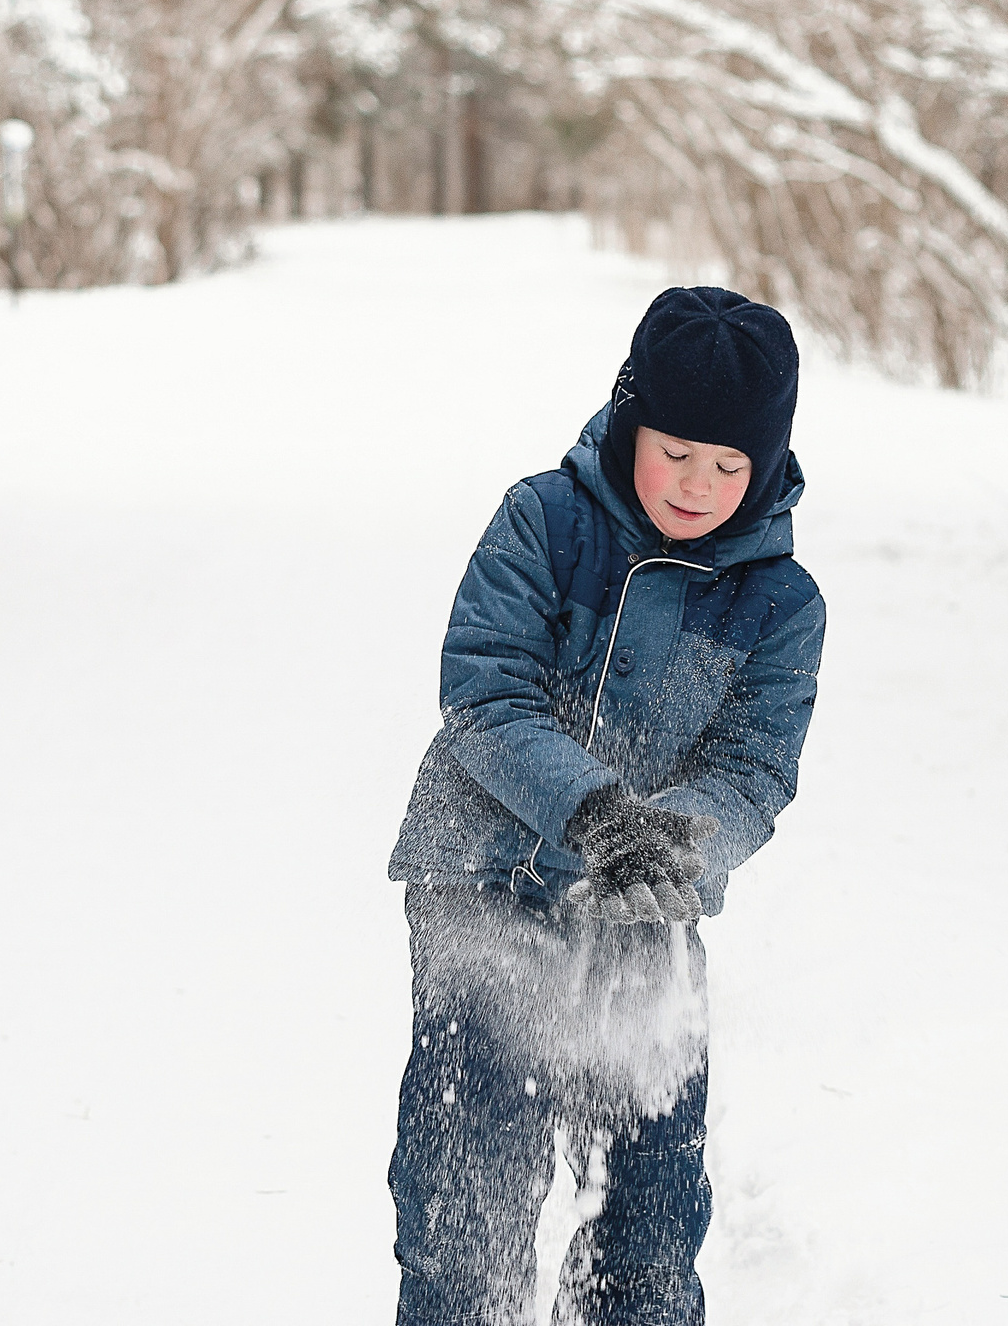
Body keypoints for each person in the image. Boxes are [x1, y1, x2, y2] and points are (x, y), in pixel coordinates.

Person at [385, 285, 826, 1326]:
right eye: (676, 451)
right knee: (469, 1198)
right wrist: (593, 813)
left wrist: (671, 843)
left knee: (651, 1213)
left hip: (645, 914)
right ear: (631, 423)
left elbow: (756, 767)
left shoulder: (780, 603)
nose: (699, 484)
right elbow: (484, 693)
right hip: (484, 888)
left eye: (731, 465)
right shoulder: (544, 522)